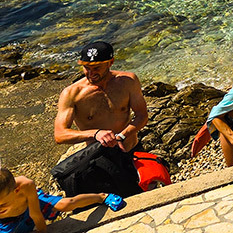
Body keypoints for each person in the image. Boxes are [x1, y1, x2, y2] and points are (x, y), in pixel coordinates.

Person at [52, 42, 146, 198]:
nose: (91, 73)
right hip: (102, 161)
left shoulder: (128, 81)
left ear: (110, 62)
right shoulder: (72, 94)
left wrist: (122, 136)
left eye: (96, 68)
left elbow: (141, 115)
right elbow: (60, 135)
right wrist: (96, 134)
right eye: (86, 68)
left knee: (147, 194)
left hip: (132, 151)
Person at [0, 167, 123, 233]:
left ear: (16, 190)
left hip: (32, 205)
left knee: (67, 204)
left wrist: (42, 231)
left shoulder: (26, 185)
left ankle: (102, 197)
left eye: (2, 204)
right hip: (8, 223)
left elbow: (35, 214)